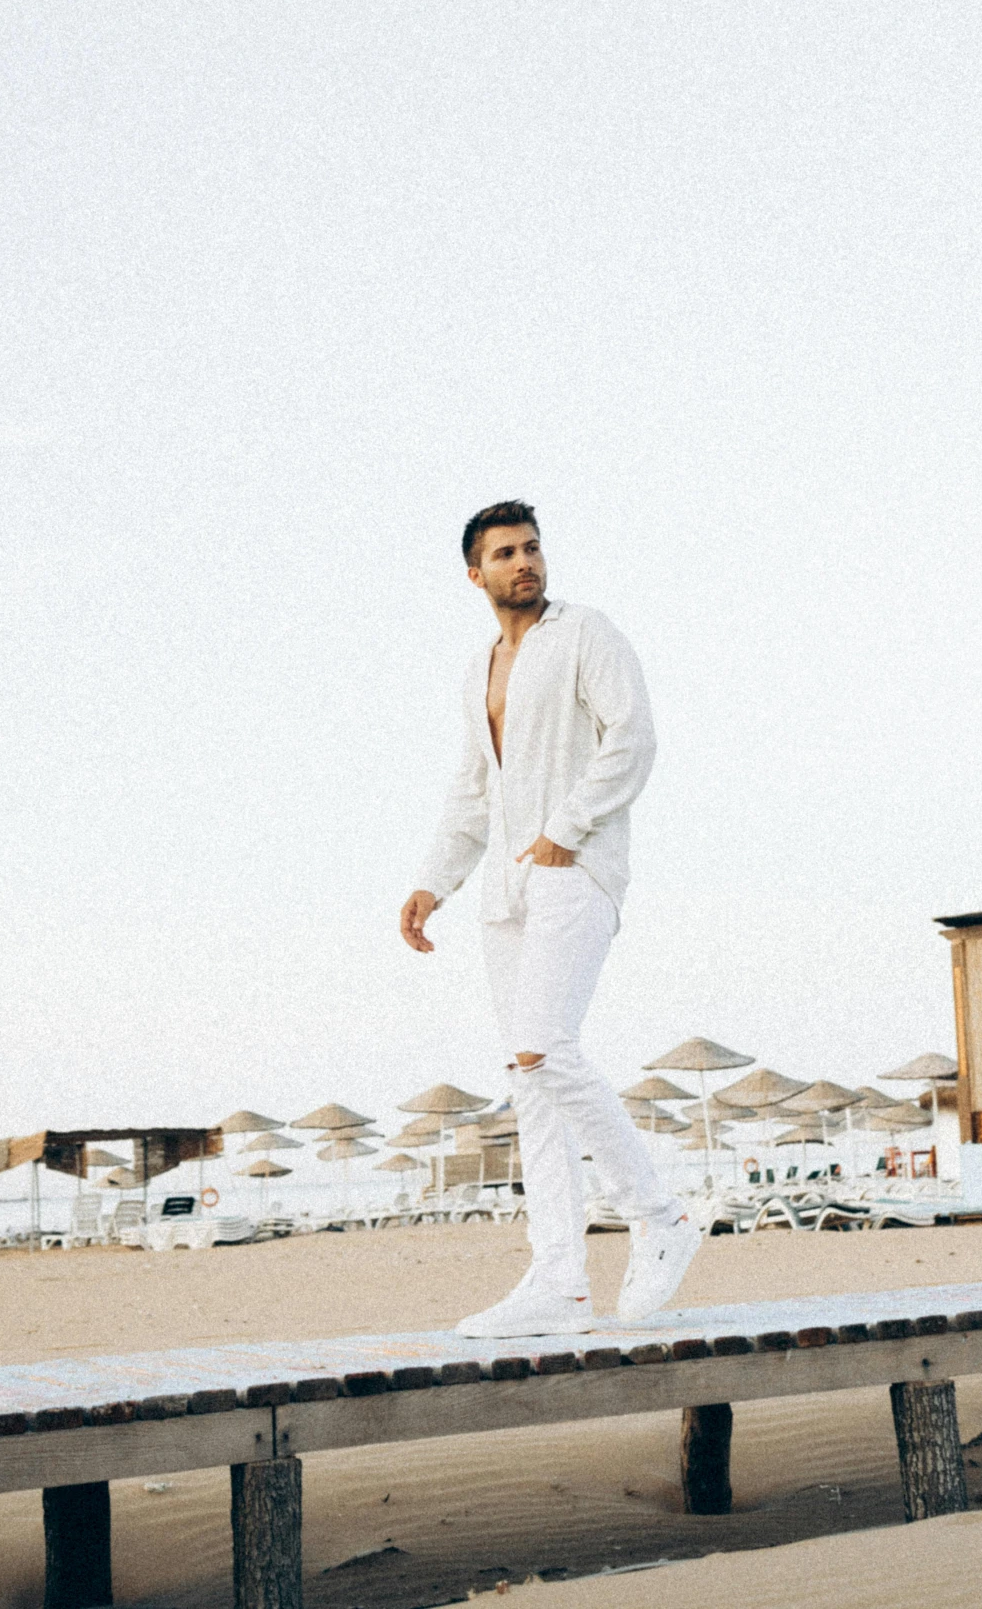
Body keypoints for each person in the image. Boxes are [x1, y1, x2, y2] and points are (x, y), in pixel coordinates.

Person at [400, 501, 701, 1337]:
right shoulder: (478, 671)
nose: (524, 562)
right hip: (502, 890)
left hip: (575, 868)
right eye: (505, 553)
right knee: (525, 1079)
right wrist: (433, 883)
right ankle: (559, 1279)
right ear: (476, 575)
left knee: (545, 1047)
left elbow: (632, 739)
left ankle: (660, 1215)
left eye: (532, 548)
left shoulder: (585, 632)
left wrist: (564, 833)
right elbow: (471, 793)